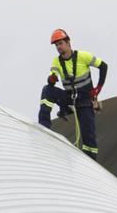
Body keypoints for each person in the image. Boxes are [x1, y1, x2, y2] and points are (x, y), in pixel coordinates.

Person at [39, 31, 108, 159]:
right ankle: (43, 128)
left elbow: (104, 66)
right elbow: (53, 75)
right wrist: (52, 79)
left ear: (68, 43)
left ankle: (91, 165)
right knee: (47, 90)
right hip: (69, 100)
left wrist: (98, 88)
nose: (59, 47)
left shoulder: (83, 56)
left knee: (89, 137)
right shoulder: (56, 61)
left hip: (86, 103)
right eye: (56, 45)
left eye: (60, 43)